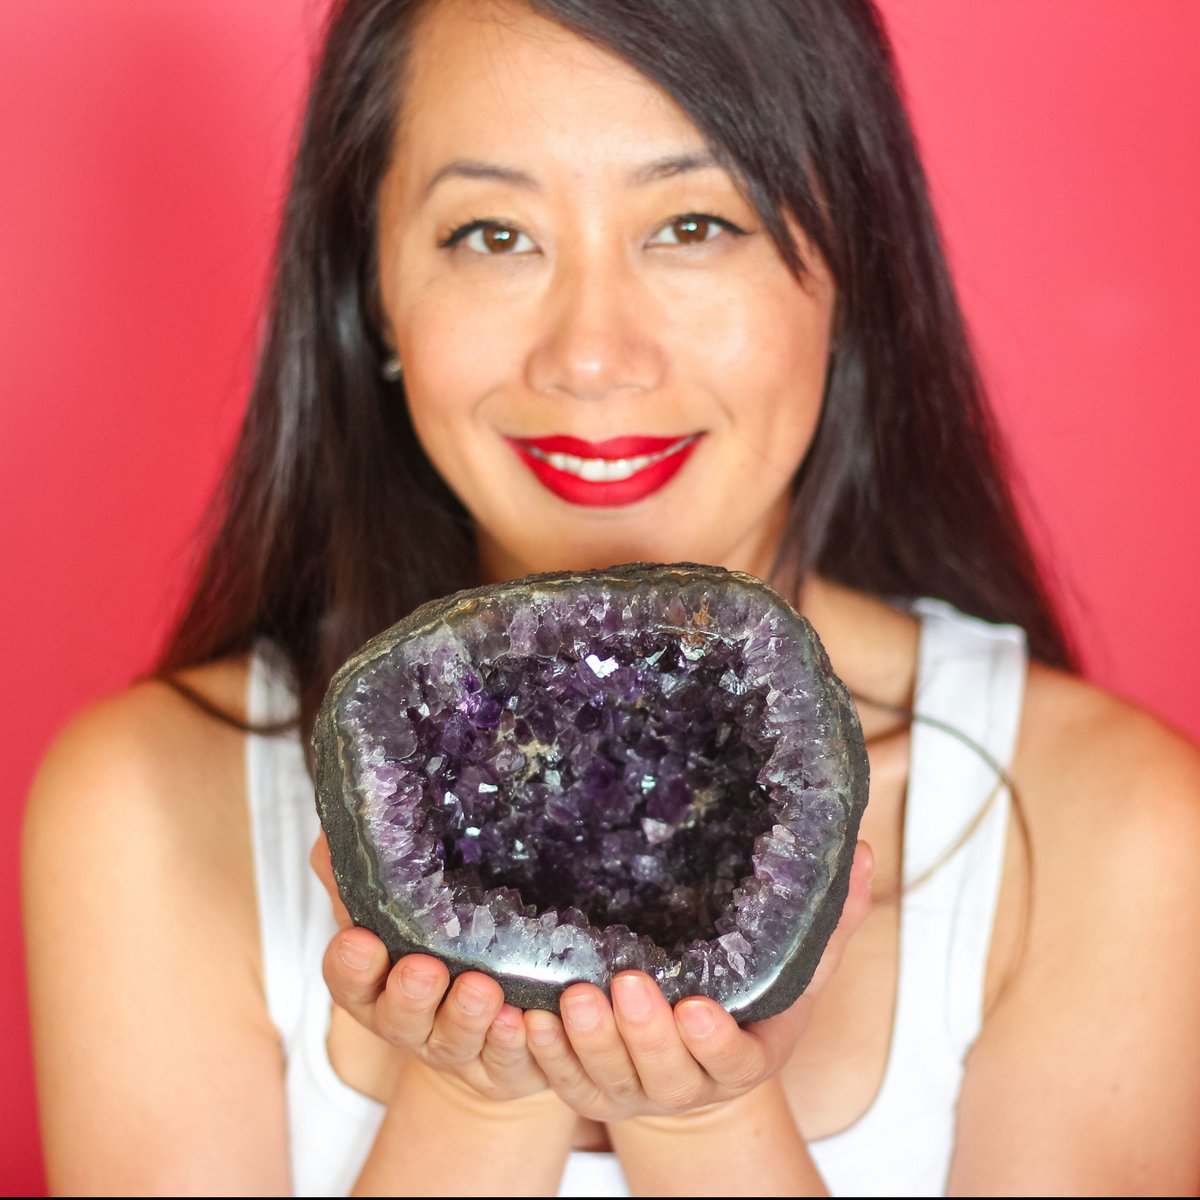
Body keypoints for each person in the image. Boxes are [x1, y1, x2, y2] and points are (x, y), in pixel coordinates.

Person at [22, 0, 1200, 1195]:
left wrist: (704, 1121)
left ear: (856, 268)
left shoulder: (1112, 832)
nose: (591, 353)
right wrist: (482, 1098)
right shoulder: (149, 813)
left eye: (693, 224)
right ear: (370, 289)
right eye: (491, 234)